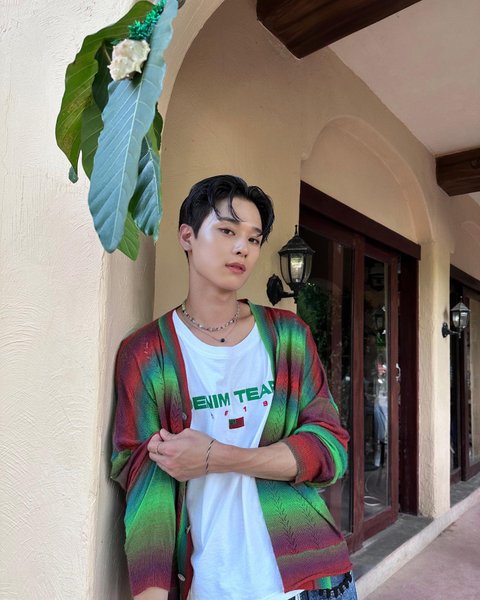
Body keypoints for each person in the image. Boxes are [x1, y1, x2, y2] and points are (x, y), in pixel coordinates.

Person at [111, 175, 357, 600]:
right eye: (227, 231)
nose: (243, 247)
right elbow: (146, 488)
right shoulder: (148, 354)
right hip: (213, 585)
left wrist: (218, 457)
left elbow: (331, 451)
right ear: (187, 236)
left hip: (315, 581)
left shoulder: (288, 336)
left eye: (254, 238)